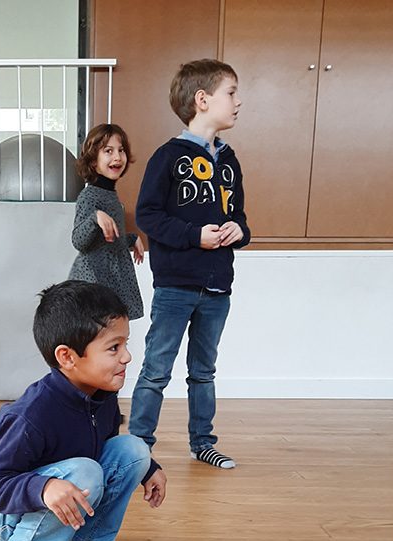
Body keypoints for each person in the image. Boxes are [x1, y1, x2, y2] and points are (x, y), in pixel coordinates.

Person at [0, 280, 167, 541]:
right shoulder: (31, 415)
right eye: (114, 348)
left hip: (65, 491)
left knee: (134, 449)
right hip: (6, 513)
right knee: (85, 471)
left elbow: (107, 446)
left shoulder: (102, 395)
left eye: (125, 344)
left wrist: (148, 469)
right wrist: (44, 488)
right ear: (67, 357)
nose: (127, 357)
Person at [129, 60, 251, 470]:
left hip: (217, 288)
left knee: (203, 372)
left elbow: (240, 217)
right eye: (231, 92)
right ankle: (137, 448)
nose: (238, 101)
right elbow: (147, 216)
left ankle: (203, 443)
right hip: (175, 287)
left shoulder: (230, 161)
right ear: (202, 100)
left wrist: (239, 230)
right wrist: (193, 236)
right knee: (156, 370)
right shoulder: (167, 157)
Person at [69, 123, 145, 321]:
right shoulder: (89, 196)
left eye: (121, 150)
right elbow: (78, 241)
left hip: (109, 277)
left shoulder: (110, 196)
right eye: (108, 151)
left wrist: (131, 239)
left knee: (113, 330)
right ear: (93, 161)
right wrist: (95, 217)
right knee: (99, 333)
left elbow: (108, 241)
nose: (117, 157)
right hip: (94, 280)